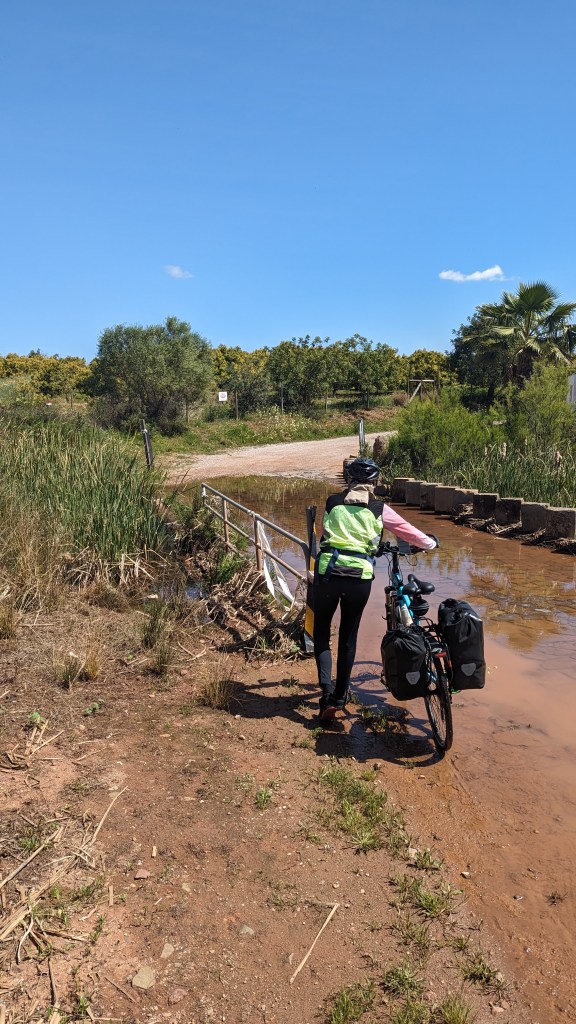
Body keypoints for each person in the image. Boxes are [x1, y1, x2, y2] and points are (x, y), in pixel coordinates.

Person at [313, 457, 438, 721]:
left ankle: (325, 697)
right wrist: (430, 544)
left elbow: (324, 536)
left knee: (322, 634)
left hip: (328, 575)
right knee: (348, 637)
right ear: (374, 483)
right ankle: (340, 695)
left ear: (349, 481)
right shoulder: (379, 508)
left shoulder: (332, 502)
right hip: (359, 578)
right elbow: (409, 533)